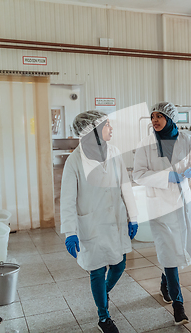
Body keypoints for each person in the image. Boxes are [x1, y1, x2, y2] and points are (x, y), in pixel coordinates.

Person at [60, 110, 138, 333]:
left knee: (119, 264)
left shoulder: (113, 152)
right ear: (92, 131)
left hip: (114, 221)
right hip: (91, 224)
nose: (111, 129)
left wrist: (133, 216)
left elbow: (126, 186)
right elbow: (67, 201)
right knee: (96, 270)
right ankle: (103, 317)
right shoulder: (74, 161)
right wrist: (70, 232)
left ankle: (102, 293)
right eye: (106, 125)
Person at [133, 102, 191, 325]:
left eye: (160, 116)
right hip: (160, 207)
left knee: (177, 251)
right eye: (153, 116)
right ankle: (178, 306)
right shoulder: (145, 144)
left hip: (181, 204)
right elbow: (138, 174)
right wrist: (166, 177)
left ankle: (165, 283)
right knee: (169, 251)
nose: (155, 120)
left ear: (171, 118)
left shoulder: (186, 140)